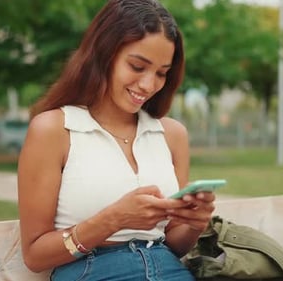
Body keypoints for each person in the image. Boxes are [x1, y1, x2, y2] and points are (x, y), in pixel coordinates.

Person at [17, 0, 216, 280]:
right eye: (137, 66)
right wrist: (114, 219)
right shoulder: (54, 129)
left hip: (168, 270)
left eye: (161, 73)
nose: (148, 85)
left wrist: (194, 223)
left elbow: (173, 244)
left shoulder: (171, 135)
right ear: (104, 54)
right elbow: (35, 255)